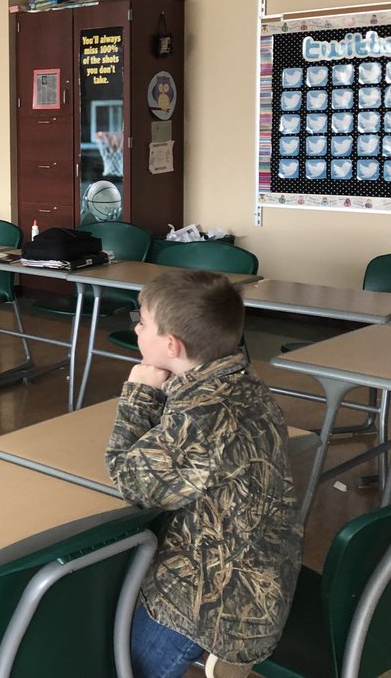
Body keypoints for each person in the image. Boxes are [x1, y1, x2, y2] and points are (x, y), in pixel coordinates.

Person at [105, 270, 301, 678]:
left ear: (171, 345)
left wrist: (139, 393)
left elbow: (129, 479)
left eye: (143, 322)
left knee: (121, 665)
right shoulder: (240, 382)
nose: (136, 328)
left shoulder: (202, 417)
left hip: (212, 603)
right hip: (257, 573)